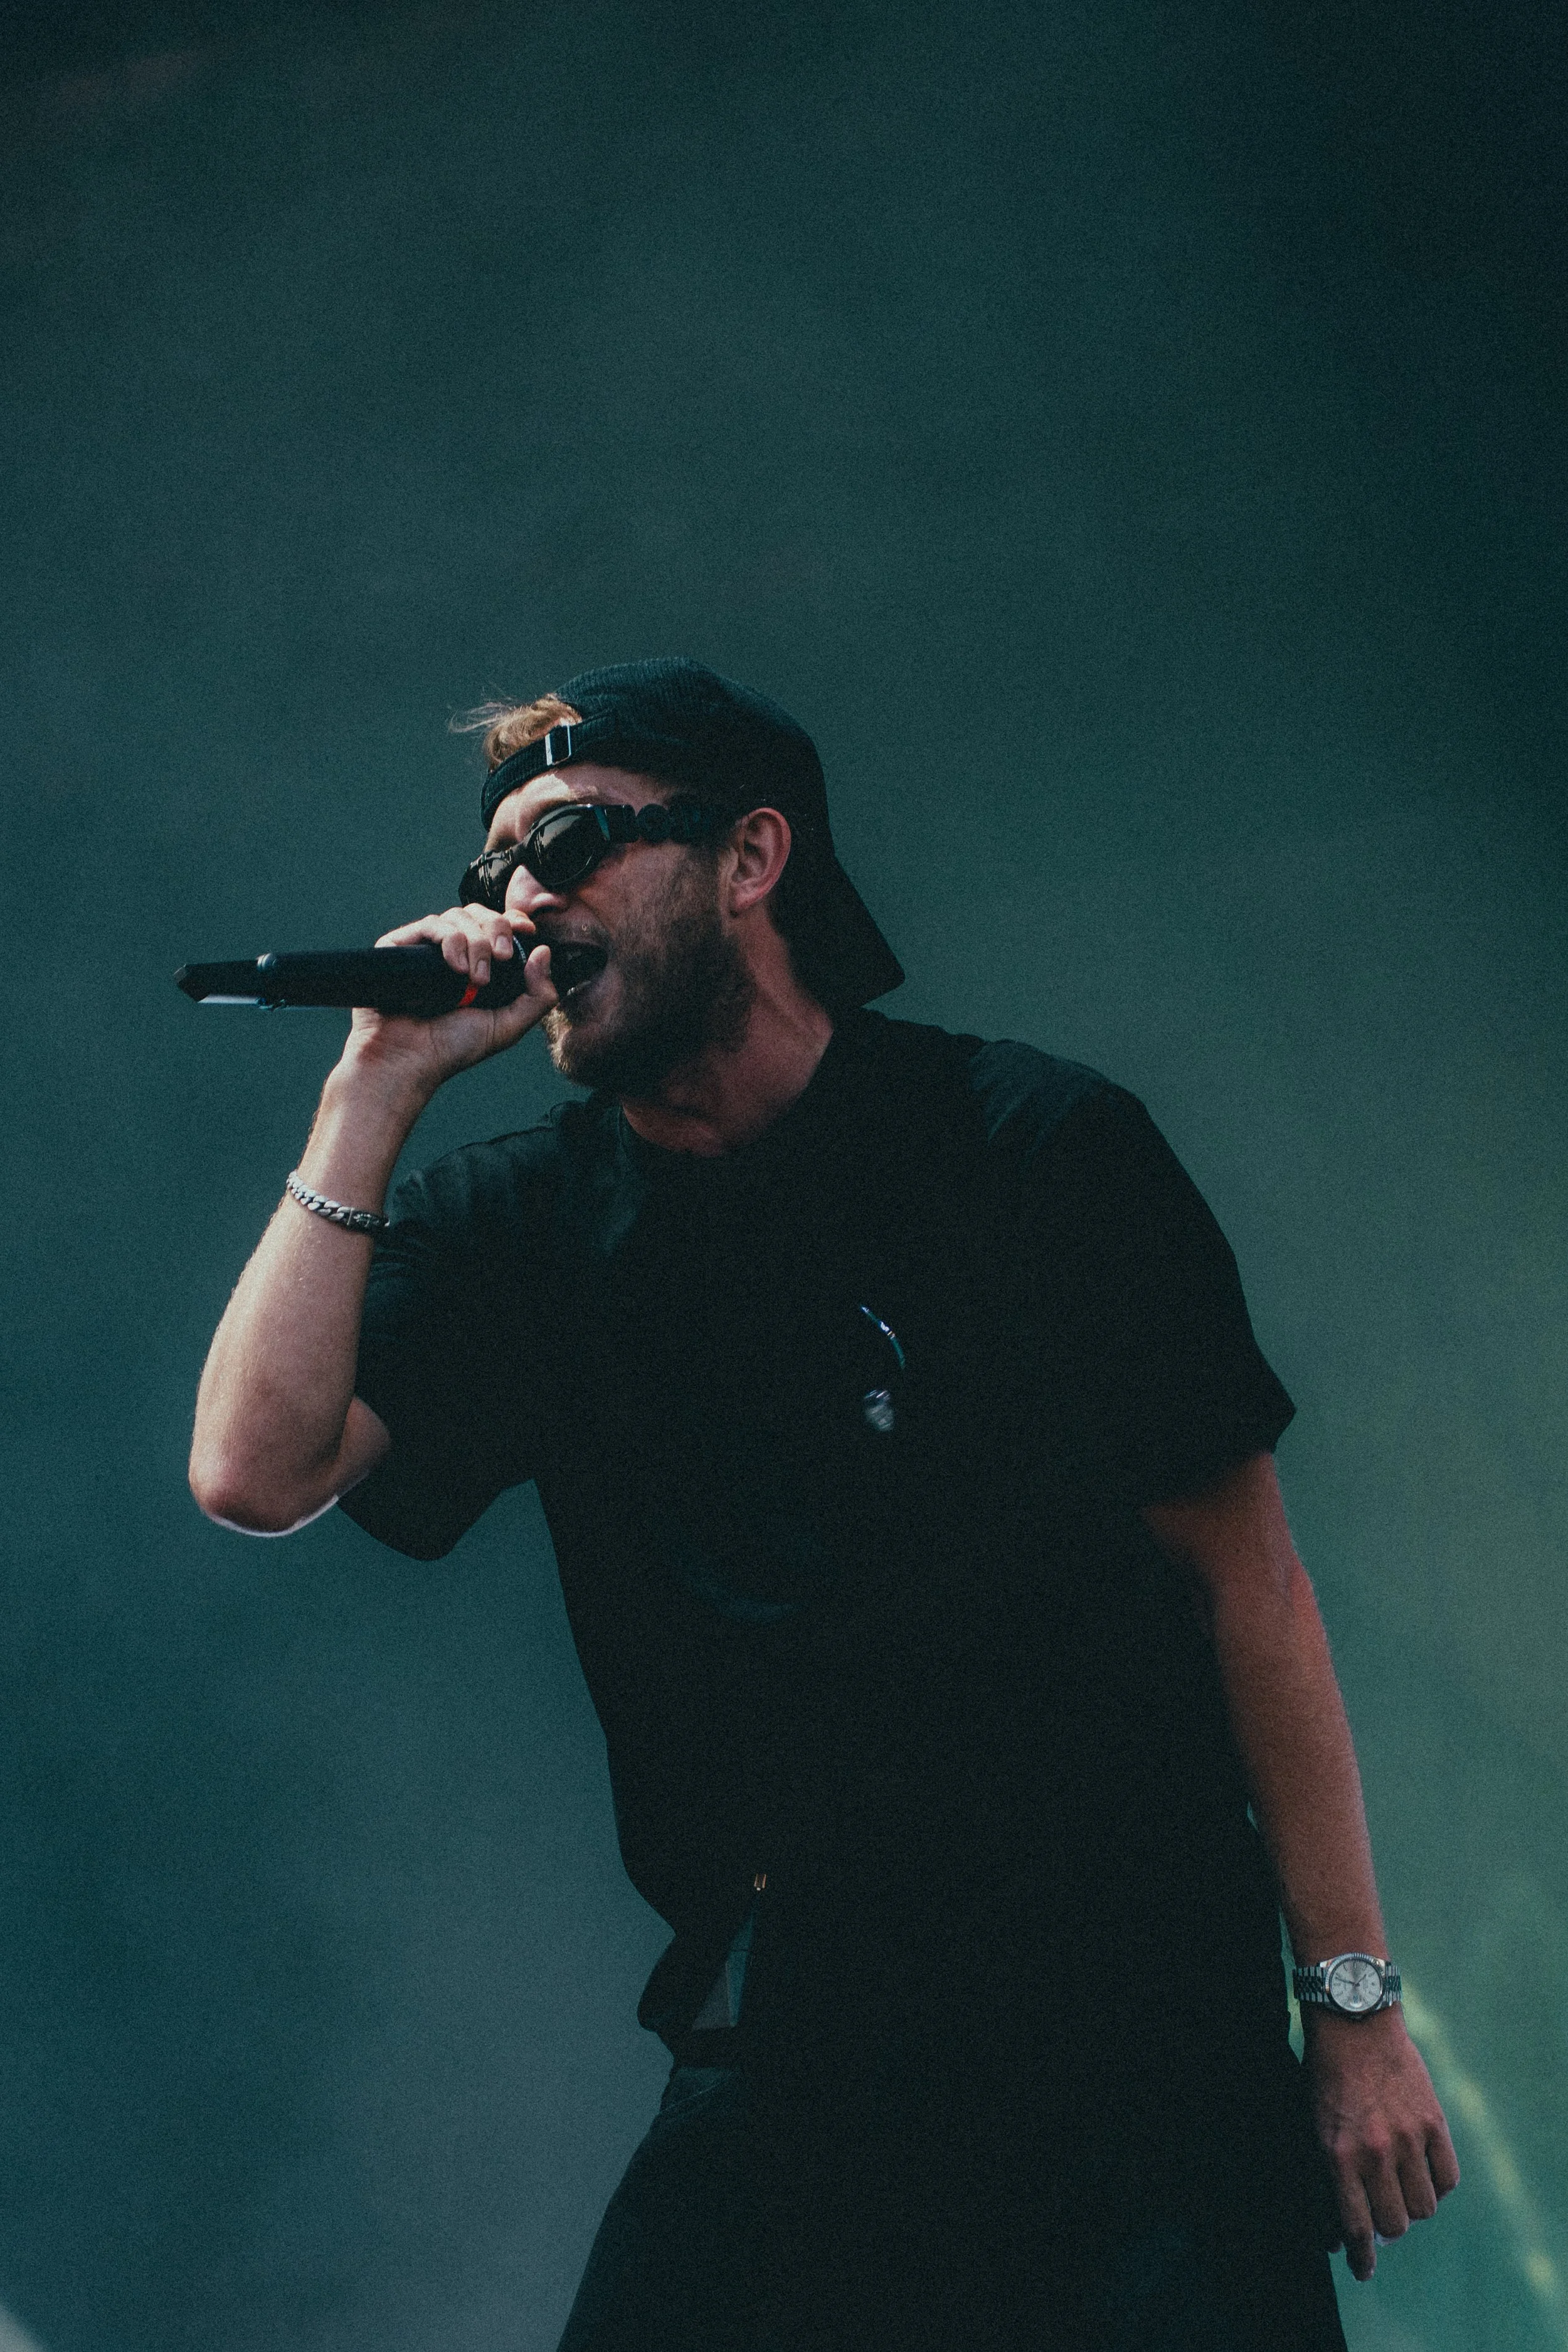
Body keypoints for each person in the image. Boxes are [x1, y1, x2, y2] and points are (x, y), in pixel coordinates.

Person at [190, 657, 1458, 2350]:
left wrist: (1354, 2009)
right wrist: (371, 1087)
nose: (521, 900)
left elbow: (1251, 1582)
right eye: (494, 869)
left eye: (568, 842)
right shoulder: (526, 1228)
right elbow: (251, 1471)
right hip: (786, 2037)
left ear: (750, 858)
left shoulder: (1030, 1151)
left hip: (1125, 2028)